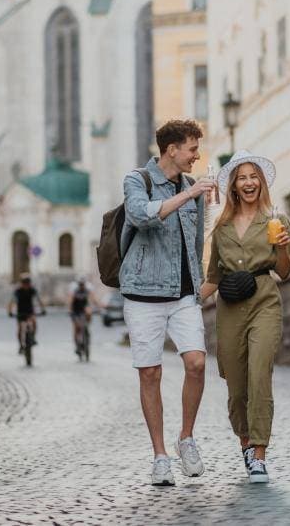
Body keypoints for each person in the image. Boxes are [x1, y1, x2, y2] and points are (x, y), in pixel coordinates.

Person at [120, 119, 216, 487]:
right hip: (142, 293)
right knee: (151, 373)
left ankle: (186, 438)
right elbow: (140, 215)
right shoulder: (137, 180)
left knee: (195, 363)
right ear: (172, 149)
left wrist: (199, 285)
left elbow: (196, 242)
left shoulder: (192, 186)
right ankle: (160, 456)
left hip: (182, 295)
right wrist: (188, 197)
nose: (196, 156)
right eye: (192, 149)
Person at [200, 151, 290, 484]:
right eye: (242, 177)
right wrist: (188, 303)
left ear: (261, 182)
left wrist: (282, 247)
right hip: (230, 308)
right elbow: (212, 276)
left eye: (254, 176)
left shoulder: (276, 220)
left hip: (264, 300)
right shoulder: (221, 226)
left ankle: (259, 454)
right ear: (234, 186)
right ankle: (244, 442)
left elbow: (285, 270)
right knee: (237, 385)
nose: (249, 182)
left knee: (259, 375)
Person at [8, 275, 46, 352]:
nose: (26, 285)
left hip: (30, 311)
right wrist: (10, 311)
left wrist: (43, 309)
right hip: (20, 312)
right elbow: (11, 302)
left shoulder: (32, 290)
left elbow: (39, 300)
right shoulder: (18, 291)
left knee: (34, 323)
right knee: (20, 329)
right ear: (21, 283)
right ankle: (21, 345)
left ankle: (33, 338)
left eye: (28, 283)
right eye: (24, 283)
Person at [68, 276, 100, 353]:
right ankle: (77, 345)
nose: (82, 286)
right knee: (76, 328)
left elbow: (93, 299)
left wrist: (98, 306)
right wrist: (70, 310)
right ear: (78, 284)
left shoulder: (87, 290)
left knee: (89, 311)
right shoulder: (75, 291)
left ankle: (86, 326)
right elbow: (70, 301)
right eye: (80, 284)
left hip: (83, 309)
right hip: (76, 311)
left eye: (83, 284)